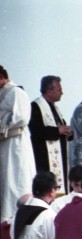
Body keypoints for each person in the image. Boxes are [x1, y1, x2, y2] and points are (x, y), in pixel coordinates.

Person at [0, 65, 37, 222]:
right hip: (4, 144)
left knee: (16, 178)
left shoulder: (16, 92)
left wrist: (3, 119)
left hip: (15, 143)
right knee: (6, 179)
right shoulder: (3, 94)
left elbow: (21, 117)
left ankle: (16, 214)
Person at [29, 75, 73, 194]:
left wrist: (68, 132)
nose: (62, 93)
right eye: (59, 90)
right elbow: (36, 131)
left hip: (60, 159)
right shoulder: (35, 106)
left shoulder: (55, 108)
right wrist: (58, 131)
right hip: (43, 158)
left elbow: (60, 129)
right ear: (49, 92)